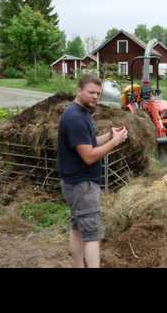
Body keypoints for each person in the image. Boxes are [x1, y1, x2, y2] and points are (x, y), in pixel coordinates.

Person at [57, 74, 128, 268]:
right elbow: (88, 156)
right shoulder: (75, 119)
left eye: (98, 93)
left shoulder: (80, 113)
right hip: (82, 185)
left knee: (78, 229)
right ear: (78, 90)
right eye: (91, 92)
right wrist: (114, 143)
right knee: (92, 235)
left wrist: (109, 136)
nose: (95, 97)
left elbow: (87, 144)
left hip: (75, 183)